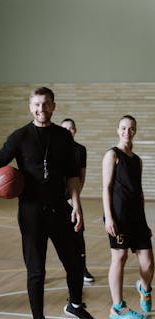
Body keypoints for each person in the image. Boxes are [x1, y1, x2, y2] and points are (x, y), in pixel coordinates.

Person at [0, 87, 99, 319]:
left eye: (45, 104)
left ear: (53, 106)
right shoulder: (20, 136)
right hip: (31, 211)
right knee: (36, 271)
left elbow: (72, 176)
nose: (41, 109)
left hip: (60, 208)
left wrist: (76, 204)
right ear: (30, 106)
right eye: (36, 104)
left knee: (75, 263)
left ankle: (75, 304)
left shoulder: (63, 136)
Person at [102, 114, 154, 319]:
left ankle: (144, 286)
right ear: (118, 130)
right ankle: (117, 307)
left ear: (135, 131)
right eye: (123, 128)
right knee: (119, 257)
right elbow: (105, 188)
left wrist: (144, 220)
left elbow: (139, 192)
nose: (127, 132)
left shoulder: (137, 160)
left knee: (148, 263)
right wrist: (109, 218)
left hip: (137, 217)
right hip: (118, 215)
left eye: (131, 128)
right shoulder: (112, 155)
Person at [61, 118, 95, 283]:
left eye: (71, 128)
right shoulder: (54, 149)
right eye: (65, 129)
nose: (68, 131)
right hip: (55, 199)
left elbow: (81, 178)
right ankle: (41, 270)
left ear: (75, 130)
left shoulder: (80, 150)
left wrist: (72, 198)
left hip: (74, 199)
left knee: (78, 233)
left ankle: (83, 269)